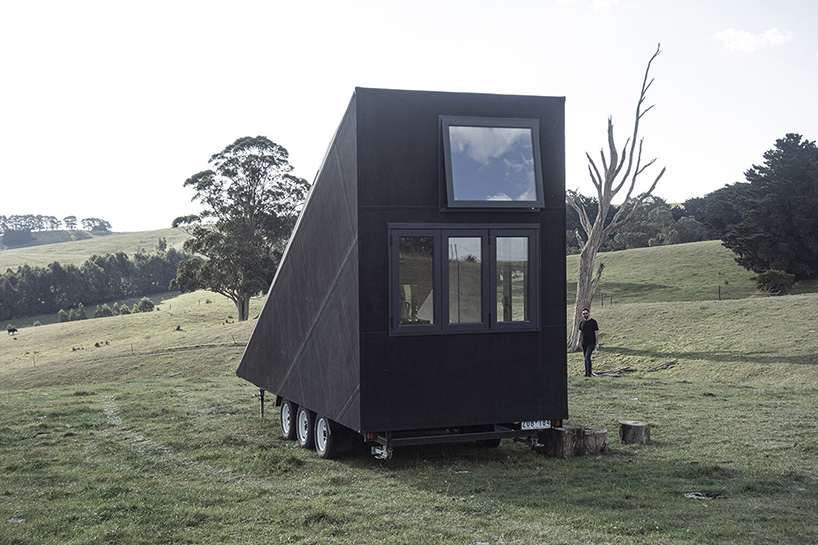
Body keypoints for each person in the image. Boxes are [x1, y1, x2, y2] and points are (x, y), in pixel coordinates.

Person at [577, 308, 599, 377]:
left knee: (587, 356)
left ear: (588, 313)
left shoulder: (593, 322)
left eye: (586, 313)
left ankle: (589, 374)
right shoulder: (582, 323)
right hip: (584, 343)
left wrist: (597, 343)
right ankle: (586, 373)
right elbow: (580, 333)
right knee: (586, 358)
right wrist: (578, 342)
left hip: (591, 343)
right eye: (583, 314)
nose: (585, 315)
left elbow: (596, 333)